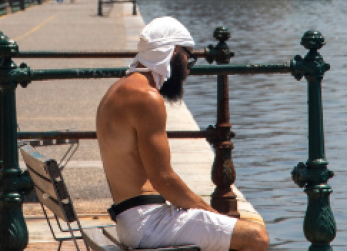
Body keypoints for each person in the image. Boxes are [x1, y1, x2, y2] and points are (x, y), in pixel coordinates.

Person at [96, 17, 268, 251]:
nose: (188, 68)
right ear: (173, 51)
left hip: (131, 220)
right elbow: (163, 179)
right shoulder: (146, 97)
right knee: (256, 236)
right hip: (147, 224)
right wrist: (212, 213)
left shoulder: (115, 91)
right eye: (189, 57)